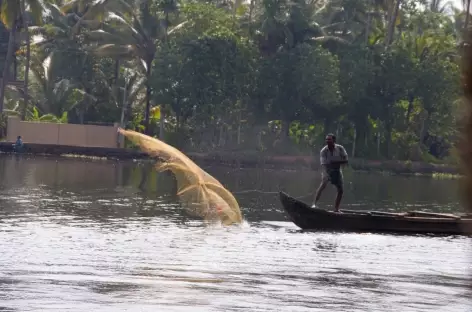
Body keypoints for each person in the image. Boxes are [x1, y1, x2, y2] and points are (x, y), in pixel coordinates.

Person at [312, 133, 348, 212]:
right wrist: (326, 174)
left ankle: (336, 209)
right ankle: (314, 204)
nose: (327, 141)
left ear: (334, 140)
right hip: (327, 170)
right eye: (326, 139)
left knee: (340, 190)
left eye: (329, 139)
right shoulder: (323, 151)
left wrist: (335, 162)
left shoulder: (340, 148)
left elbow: (346, 160)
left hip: (337, 170)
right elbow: (324, 164)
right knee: (323, 185)